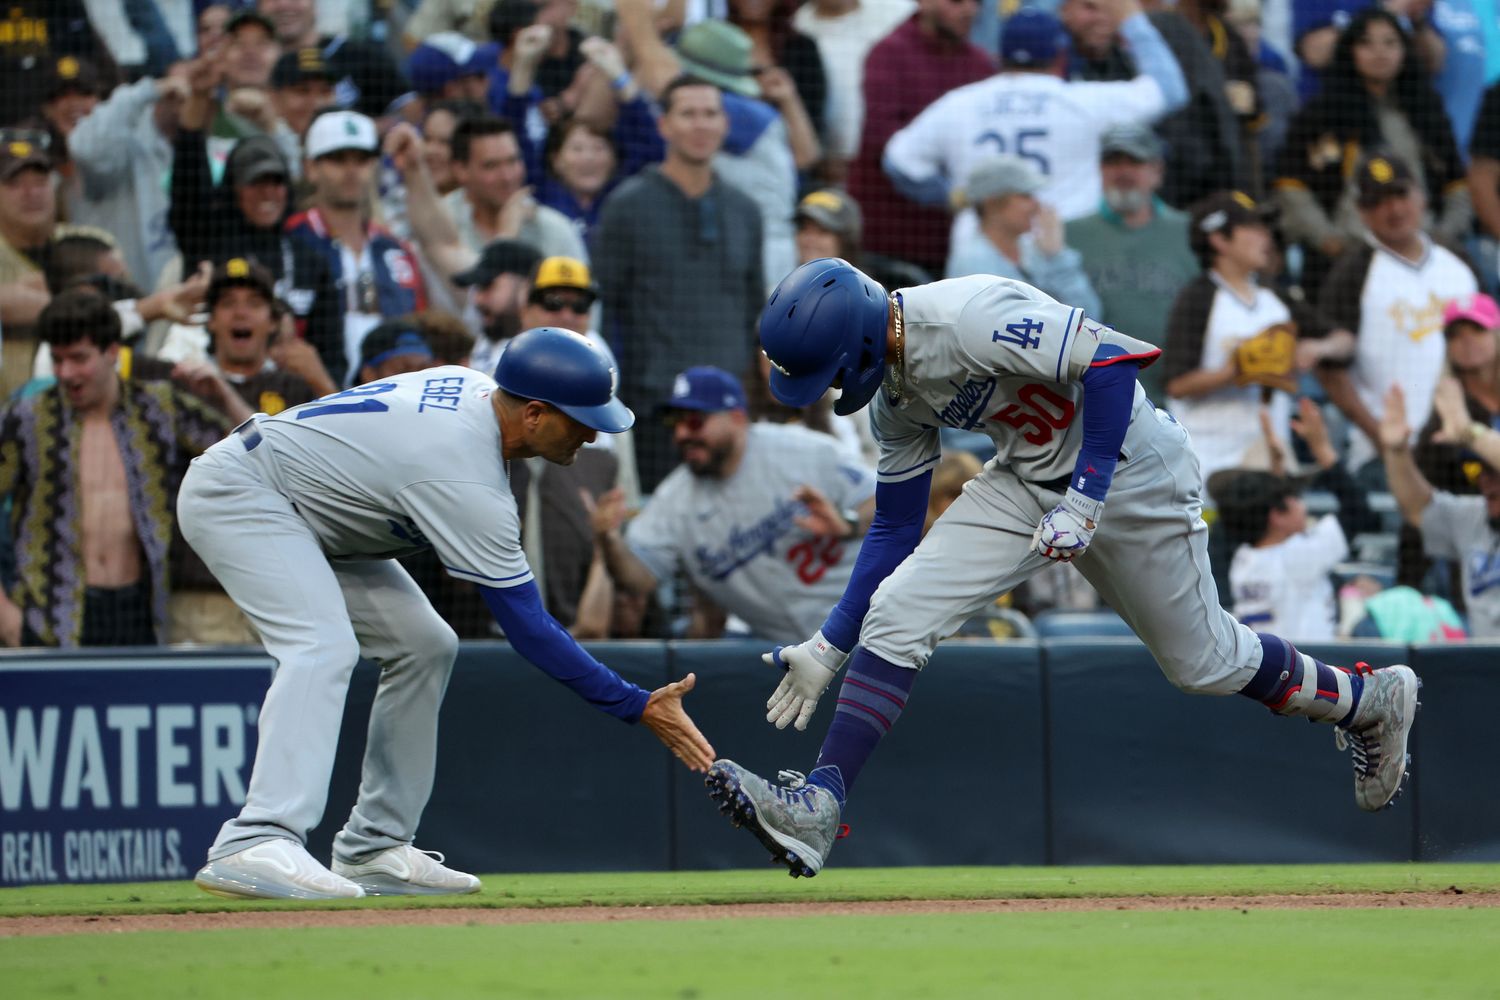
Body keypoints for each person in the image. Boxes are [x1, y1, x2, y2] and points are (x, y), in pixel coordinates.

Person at [704, 257, 1422, 878]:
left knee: (1203, 664)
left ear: (856, 339)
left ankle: (1366, 702)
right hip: (1025, 479)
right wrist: (830, 644)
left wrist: (1087, 498)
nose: (829, 390)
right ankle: (819, 806)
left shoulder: (967, 315)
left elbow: (1110, 360)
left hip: (1133, 472)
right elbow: (894, 524)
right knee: (897, 612)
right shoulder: (892, 394)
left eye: (828, 371)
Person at [182, 326, 716, 901]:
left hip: (308, 510)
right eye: (581, 418)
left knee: (425, 643)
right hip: (244, 493)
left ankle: (374, 848)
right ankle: (257, 838)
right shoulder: (462, 474)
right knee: (322, 644)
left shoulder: (476, 391)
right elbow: (530, 631)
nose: (592, 433)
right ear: (534, 414)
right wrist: (635, 705)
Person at [0, 289, 244, 648]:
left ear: (112, 351)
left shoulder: (156, 408)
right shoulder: (26, 418)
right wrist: (4, 610)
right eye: (58, 360)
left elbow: (252, 452)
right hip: (48, 610)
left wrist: (222, 393)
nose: (66, 373)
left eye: (79, 358)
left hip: (138, 609)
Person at [591, 366, 875, 643]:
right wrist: (609, 539)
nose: (681, 435)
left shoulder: (803, 449)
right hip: (799, 652)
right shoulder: (674, 500)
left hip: (872, 618)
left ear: (737, 418)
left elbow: (887, 500)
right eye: (673, 422)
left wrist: (848, 523)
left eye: (694, 421)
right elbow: (639, 578)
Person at [882, 1, 1188, 256]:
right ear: (1060, 55)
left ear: (1000, 56)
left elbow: (899, 160)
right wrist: (1131, 18)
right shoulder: (1084, 100)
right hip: (1063, 250)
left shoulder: (962, 103)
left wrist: (956, 196)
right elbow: (1169, 90)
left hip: (982, 255)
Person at [592, 76, 765, 490]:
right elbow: (600, 310)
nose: (701, 125)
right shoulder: (626, 206)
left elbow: (755, 311)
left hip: (730, 410)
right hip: (657, 410)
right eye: (688, 114)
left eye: (710, 114)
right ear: (664, 125)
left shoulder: (746, 210)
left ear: (725, 124)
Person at [1274, 8, 1470, 298]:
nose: (1380, 52)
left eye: (1390, 43)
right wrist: (1328, 240)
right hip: (1344, 260)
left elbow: (1458, 184)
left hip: (1425, 255)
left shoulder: (1426, 111)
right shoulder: (1321, 113)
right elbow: (1291, 185)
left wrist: (1443, 237)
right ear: (1350, 50)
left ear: (1405, 51)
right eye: (1367, 43)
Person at [1162, 190, 1351, 482]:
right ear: (1219, 240)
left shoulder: (1273, 296)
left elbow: (1344, 340)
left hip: (1269, 455)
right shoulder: (1198, 298)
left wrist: (1317, 347)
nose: (1266, 237)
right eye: (1253, 228)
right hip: (1208, 463)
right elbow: (1176, 385)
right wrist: (1235, 371)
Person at [1317, 153, 1478, 483]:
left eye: (1400, 195)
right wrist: (1382, 438)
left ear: (1421, 196)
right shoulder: (1351, 273)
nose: (1393, 210)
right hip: (1390, 454)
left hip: (1466, 443)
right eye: (1378, 202)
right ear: (1361, 212)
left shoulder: (1457, 260)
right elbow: (1331, 374)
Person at [847, 0, 995, 275]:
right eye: (957, 2)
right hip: (892, 239)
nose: (969, 10)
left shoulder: (980, 64)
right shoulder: (889, 54)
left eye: (976, 3)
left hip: (959, 244)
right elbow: (882, 139)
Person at [285, 110, 428, 385]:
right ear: (311, 168)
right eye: (338, 160)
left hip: (391, 397)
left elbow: (417, 328)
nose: (351, 171)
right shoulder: (292, 239)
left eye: (361, 160)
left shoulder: (396, 250)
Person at [1216, 399, 1378, 640]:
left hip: (1268, 668)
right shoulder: (1296, 556)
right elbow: (1359, 511)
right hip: (1306, 670)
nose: (1301, 503)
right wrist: (1323, 450)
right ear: (1276, 516)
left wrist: (1276, 472)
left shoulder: (1243, 557)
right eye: (1293, 497)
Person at [1064, 123, 1199, 403]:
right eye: (1113, 162)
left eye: (1134, 162)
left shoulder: (1190, 233)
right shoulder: (1067, 235)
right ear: (1100, 171)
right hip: (1089, 399)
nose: (1123, 172)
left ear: (1157, 171)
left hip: (1176, 399)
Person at [1381, 380, 1500, 638]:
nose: (1486, 482)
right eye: (1482, 473)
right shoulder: (1475, 515)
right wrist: (1396, 451)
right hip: (1488, 666)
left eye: (1495, 472)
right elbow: (1416, 506)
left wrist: (1468, 432)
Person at [944, 155, 1101, 319]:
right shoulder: (973, 263)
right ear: (993, 203)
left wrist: (1056, 255)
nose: (1037, 205)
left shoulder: (1035, 253)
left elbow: (1090, 316)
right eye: (1025, 196)